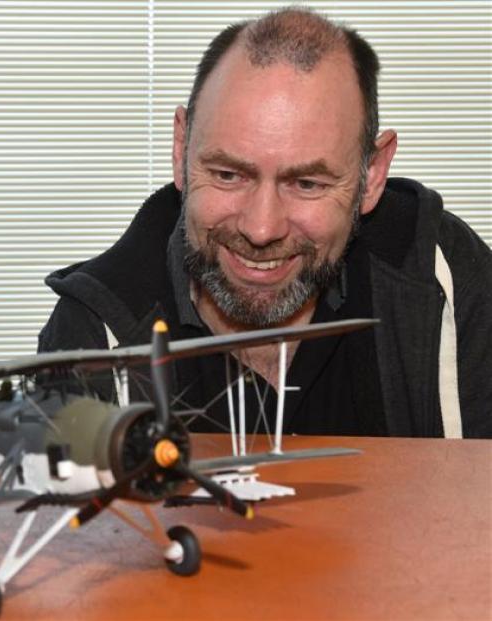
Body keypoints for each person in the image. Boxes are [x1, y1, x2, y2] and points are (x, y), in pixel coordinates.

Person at [38, 7, 491, 438]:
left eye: (307, 183)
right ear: (181, 150)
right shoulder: (94, 335)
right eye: (228, 175)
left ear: (370, 176)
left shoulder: (444, 277)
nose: (261, 229)